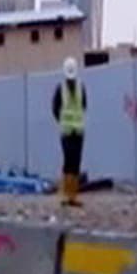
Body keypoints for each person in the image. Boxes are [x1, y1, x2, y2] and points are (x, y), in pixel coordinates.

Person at [51, 57, 88, 207]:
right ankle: (66, 195)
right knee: (68, 161)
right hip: (66, 131)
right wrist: (62, 122)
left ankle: (73, 196)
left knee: (76, 162)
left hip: (78, 131)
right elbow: (55, 108)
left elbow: (83, 106)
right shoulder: (60, 88)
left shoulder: (80, 87)